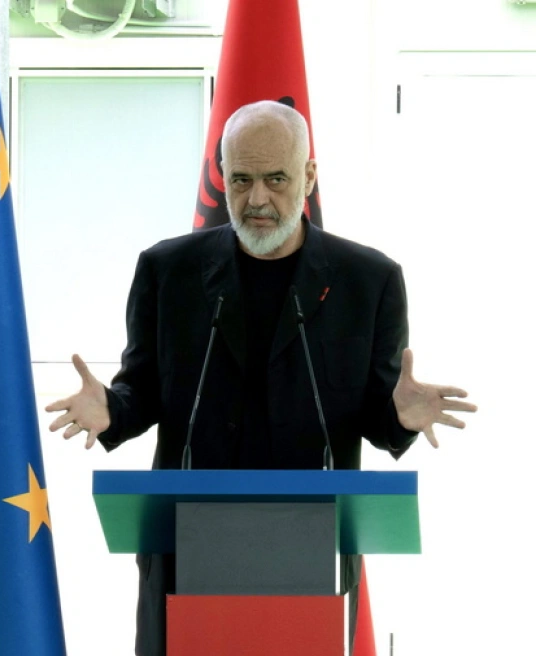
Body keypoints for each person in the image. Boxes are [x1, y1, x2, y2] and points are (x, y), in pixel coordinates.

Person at [45, 100, 477, 656]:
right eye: (241, 180)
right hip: (185, 549)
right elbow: (144, 390)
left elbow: (376, 414)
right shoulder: (168, 271)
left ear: (309, 176)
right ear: (221, 175)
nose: (257, 200)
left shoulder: (367, 280)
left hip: (313, 550)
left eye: (276, 179)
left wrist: (401, 416)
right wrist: (110, 409)